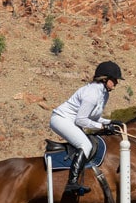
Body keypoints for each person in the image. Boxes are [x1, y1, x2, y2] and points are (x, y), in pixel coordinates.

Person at [50, 60, 124, 195]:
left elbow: (94, 118)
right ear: (105, 78)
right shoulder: (92, 93)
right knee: (86, 145)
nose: (116, 83)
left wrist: (111, 122)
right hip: (61, 119)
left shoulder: (104, 94)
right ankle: (71, 183)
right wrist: (103, 126)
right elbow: (82, 120)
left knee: (88, 143)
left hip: (73, 121)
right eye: (114, 79)